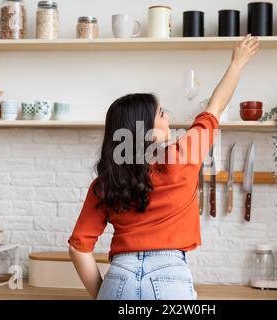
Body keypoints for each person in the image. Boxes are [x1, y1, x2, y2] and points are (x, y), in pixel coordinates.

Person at [68, 35, 259, 300]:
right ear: (145, 127)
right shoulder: (184, 155)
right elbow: (214, 109)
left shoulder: (105, 182)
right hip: (170, 278)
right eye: (161, 114)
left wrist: (105, 293)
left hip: (119, 278)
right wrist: (237, 64)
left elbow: (79, 247)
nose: (168, 116)